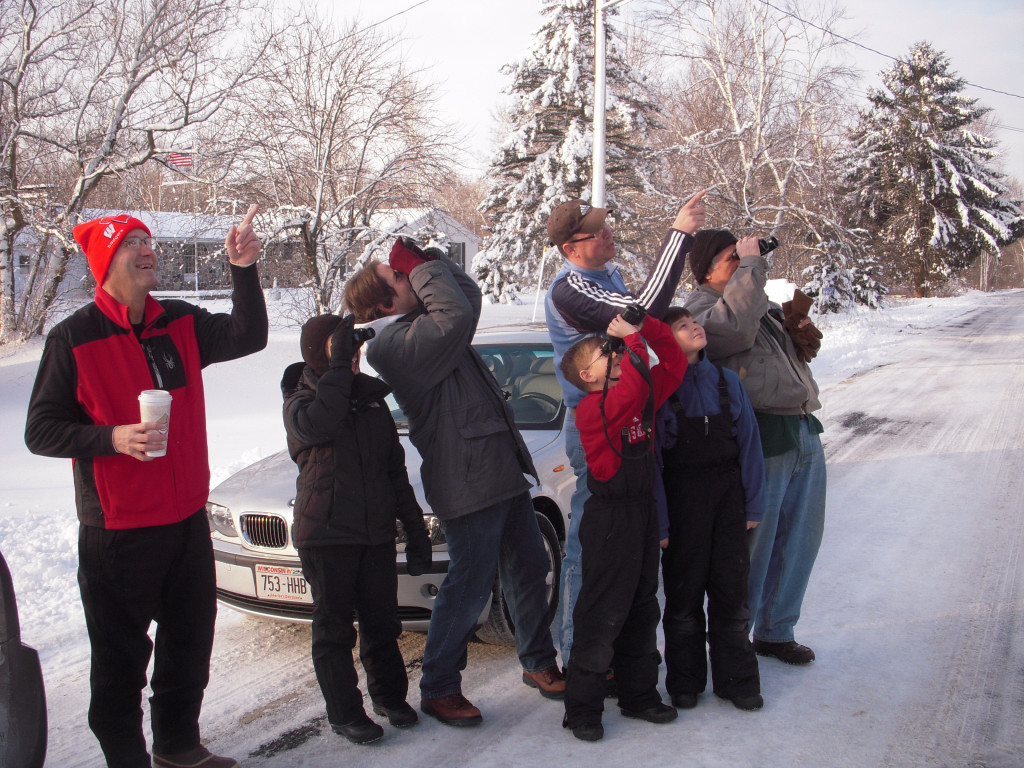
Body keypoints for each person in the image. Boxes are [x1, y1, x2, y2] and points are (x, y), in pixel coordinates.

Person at [24, 207, 268, 768]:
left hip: (184, 520)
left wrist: (243, 270)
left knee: (189, 645)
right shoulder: (73, 339)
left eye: (148, 238)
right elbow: (40, 430)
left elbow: (247, 335)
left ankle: (178, 747)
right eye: (132, 241)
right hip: (119, 531)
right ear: (107, 261)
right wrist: (112, 438)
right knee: (120, 661)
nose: (147, 247)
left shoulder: (177, 321)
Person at [342, 238, 564, 727]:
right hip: (466, 477)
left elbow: (468, 299)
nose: (410, 280)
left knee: (528, 566)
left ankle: (538, 661)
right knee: (470, 583)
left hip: (497, 468)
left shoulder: (428, 327)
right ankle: (439, 686)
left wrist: (427, 263)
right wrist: (419, 271)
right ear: (384, 303)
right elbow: (456, 314)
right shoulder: (393, 345)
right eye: (401, 279)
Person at [544, 192, 706, 665]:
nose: (608, 233)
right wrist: (680, 235)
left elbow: (644, 316)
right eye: (596, 231)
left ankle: (620, 654)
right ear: (573, 248)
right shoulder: (570, 289)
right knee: (589, 545)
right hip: (596, 430)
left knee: (632, 545)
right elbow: (642, 312)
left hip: (632, 417)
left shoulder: (605, 275)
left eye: (605, 225)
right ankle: (578, 655)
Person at [281, 313, 433, 745]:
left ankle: (389, 697)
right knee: (334, 629)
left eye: (352, 348)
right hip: (327, 535)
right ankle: (345, 712)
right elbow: (323, 422)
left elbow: (394, 471)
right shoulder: (299, 400)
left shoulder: (369, 400)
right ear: (320, 353)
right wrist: (335, 369)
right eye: (341, 347)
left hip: (374, 533)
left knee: (383, 622)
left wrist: (415, 532)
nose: (352, 355)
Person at [683, 229, 826, 665]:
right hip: (762, 432)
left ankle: (777, 630)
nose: (744, 261)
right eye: (732, 257)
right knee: (757, 545)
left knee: (801, 538)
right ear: (707, 268)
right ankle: (735, 634)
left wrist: (802, 331)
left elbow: (795, 356)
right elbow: (730, 334)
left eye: (742, 256)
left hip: (802, 426)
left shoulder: (755, 304)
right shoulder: (701, 310)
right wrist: (752, 267)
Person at [557, 310, 687, 741]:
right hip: (609, 517)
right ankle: (582, 710)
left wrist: (646, 328)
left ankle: (639, 694)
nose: (615, 356)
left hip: (641, 512)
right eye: (604, 353)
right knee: (600, 613)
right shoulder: (592, 409)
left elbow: (673, 363)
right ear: (587, 374)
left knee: (641, 606)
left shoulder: (635, 390)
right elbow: (632, 388)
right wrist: (630, 342)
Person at [655, 307, 765, 712]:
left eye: (693, 322)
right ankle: (685, 681)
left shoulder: (727, 382)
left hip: (727, 499)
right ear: (666, 340)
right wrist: (661, 522)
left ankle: (737, 680)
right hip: (682, 500)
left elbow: (750, 444)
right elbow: (654, 464)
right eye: (681, 326)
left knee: (731, 592)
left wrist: (753, 502)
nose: (693, 327)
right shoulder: (662, 387)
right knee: (683, 596)